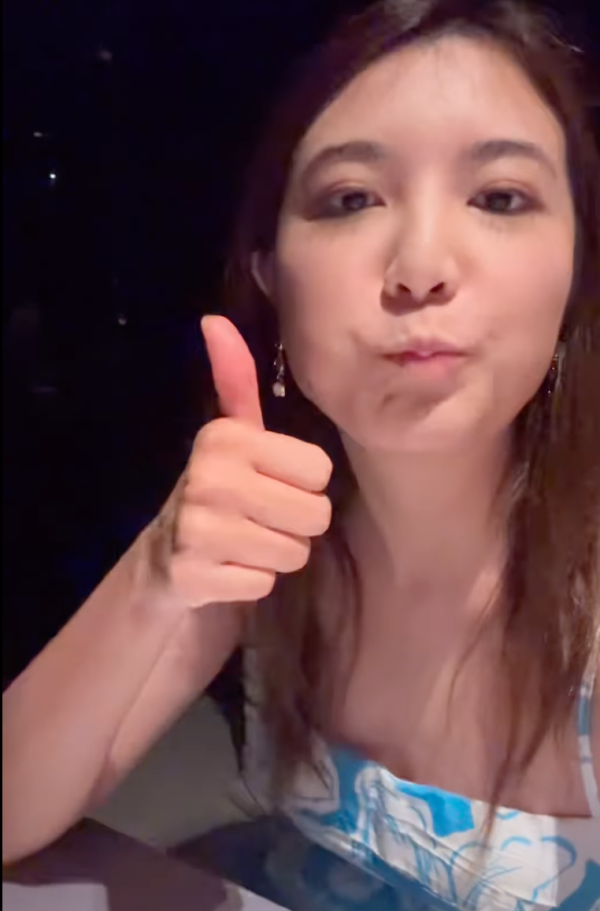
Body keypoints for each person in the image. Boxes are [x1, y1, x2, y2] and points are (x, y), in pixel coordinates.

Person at [3, 0, 600, 906]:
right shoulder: (276, 540)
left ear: (576, 268)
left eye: (499, 197)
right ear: (271, 276)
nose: (421, 266)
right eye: (351, 198)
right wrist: (157, 569)